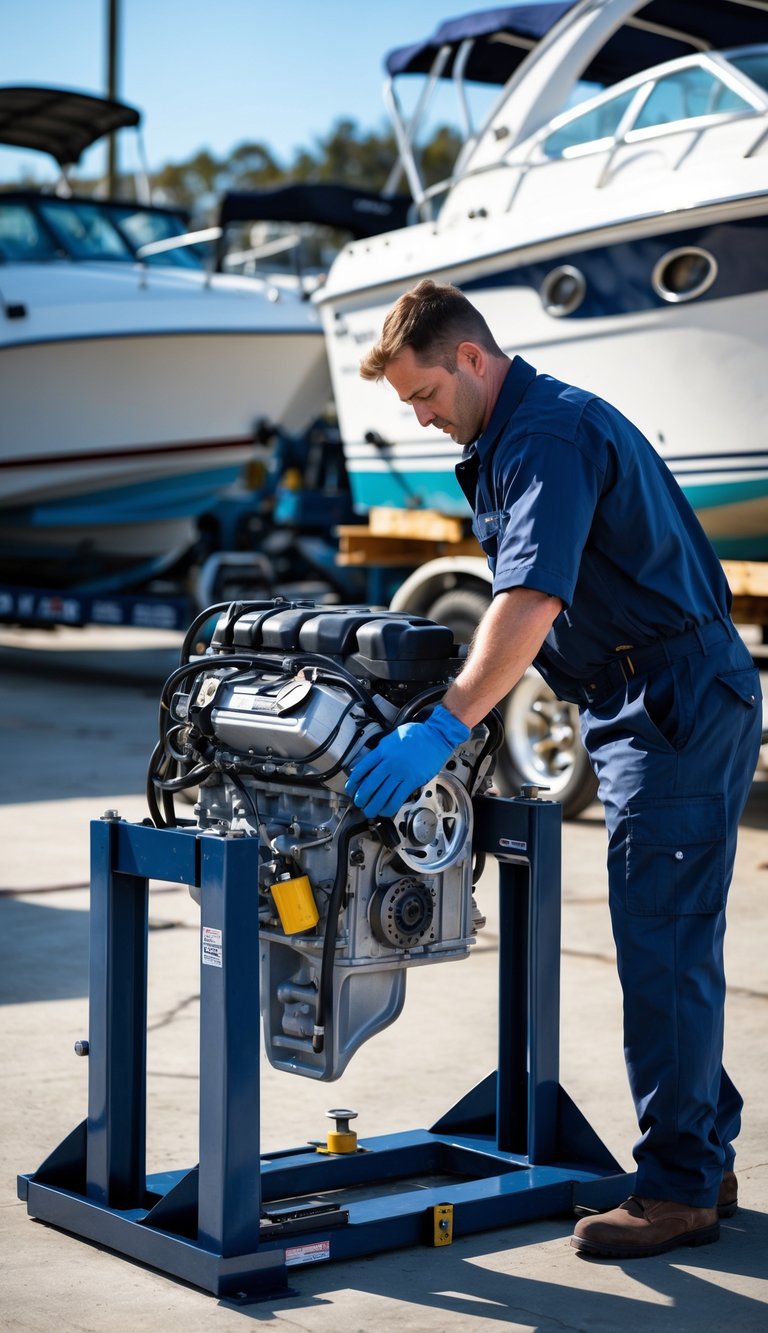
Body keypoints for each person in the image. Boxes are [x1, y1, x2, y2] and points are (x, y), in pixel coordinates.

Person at [345, 278, 763, 1260]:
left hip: (671, 702)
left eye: (426, 394)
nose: (421, 416)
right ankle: (700, 1151)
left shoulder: (544, 436)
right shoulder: (515, 434)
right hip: (643, 698)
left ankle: (678, 1191)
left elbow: (528, 602)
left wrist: (443, 730)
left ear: (473, 359)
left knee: (661, 941)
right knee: (665, 940)